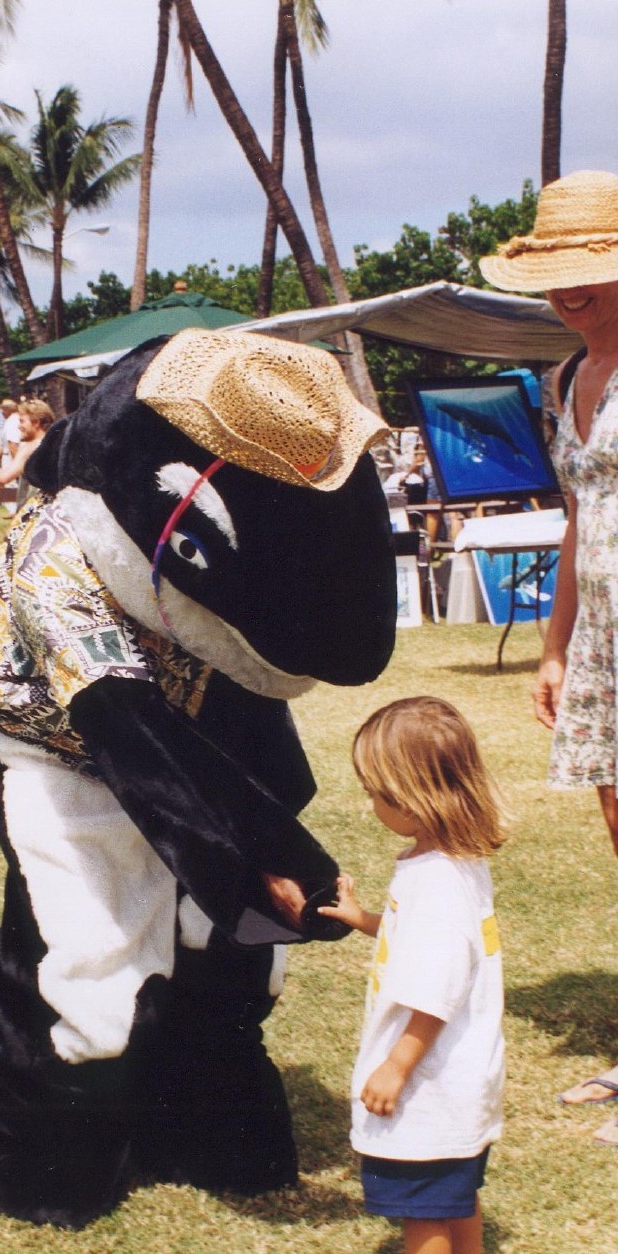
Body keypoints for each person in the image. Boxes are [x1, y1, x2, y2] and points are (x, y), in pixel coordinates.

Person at [480, 169, 618, 1148]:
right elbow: (578, 520)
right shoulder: (564, 382)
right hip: (605, 647)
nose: (571, 292)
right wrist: (556, 647)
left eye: (591, 272)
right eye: (558, 275)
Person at [319, 696, 506, 1254]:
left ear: (414, 797)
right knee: (455, 1195)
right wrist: (367, 921)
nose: (372, 805)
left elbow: (435, 991)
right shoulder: (457, 861)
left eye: (378, 793)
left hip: (429, 1086)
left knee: (422, 1213)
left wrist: (395, 1068)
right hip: (465, 1079)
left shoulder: (436, 883)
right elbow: (436, 946)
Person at [0, 399, 56, 510]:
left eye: (22, 421)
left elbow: (3, 478)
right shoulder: (54, 442)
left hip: (44, 511)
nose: (19, 426)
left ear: (36, 423)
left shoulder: (32, 446)